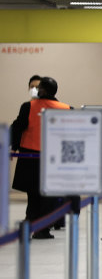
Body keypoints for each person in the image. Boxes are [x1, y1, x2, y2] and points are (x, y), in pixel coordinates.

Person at [11, 76, 71, 239]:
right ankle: (42, 228)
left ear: (42, 90)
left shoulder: (28, 106)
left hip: (30, 158)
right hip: (54, 159)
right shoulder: (66, 108)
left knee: (33, 194)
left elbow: (17, 127)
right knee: (49, 195)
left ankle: (31, 222)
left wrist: (12, 146)